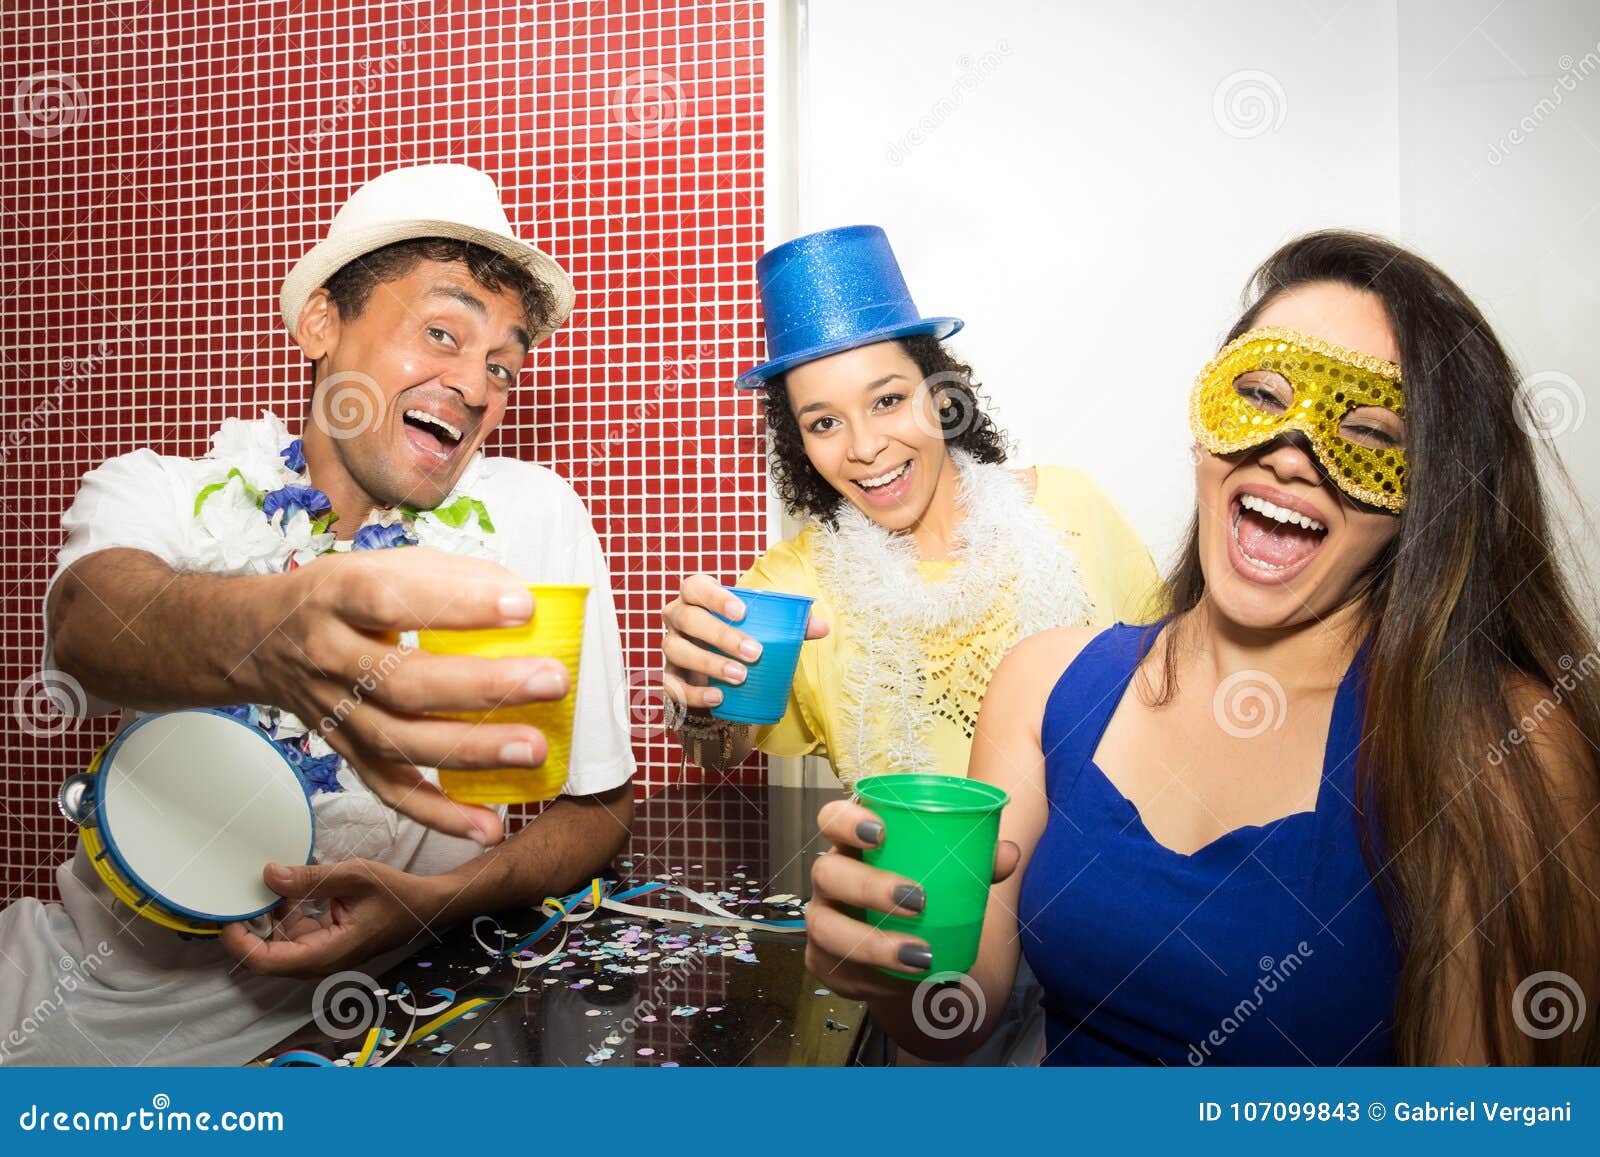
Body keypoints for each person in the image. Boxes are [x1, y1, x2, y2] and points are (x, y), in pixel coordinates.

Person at [804, 229, 1600, 1066]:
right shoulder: (1043, 685)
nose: (1293, 450)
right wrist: (891, 965)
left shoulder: (1494, 746)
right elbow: (958, 1014)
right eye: (1258, 394)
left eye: (1366, 432)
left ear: (1431, 490)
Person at [0, 163, 636, 1066]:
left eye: (503, 363)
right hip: (74, 994)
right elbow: (89, 626)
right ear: (320, 323)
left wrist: (430, 903)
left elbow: (601, 810)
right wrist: (275, 630)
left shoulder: (531, 516)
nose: (478, 383)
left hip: (366, 1020)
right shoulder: (163, 492)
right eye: (443, 332)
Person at [661, 225, 1161, 1063]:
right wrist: (699, 696)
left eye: (888, 399)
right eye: (823, 421)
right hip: (915, 975)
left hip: (1116, 959)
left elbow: (1177, 706)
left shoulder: (1071, 514)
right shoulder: (792, 583)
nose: (863, 447)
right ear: (798, 441)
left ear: (941, 391)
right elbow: (721, 746)